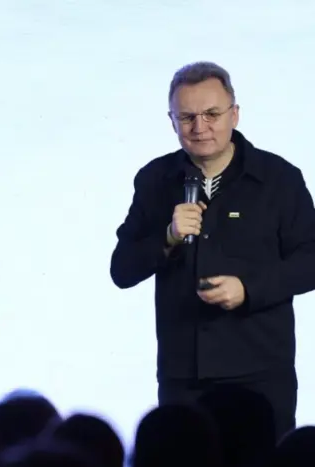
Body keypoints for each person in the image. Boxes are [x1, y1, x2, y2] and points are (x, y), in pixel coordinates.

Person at [109, 61, 315, 441]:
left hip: (260, 373)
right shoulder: (155, 180)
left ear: (234, 115)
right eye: (186, 117)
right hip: (183, 374)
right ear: (172, 121)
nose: (199, 127)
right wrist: (168, 237)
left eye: (211, 114)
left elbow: (311, 260)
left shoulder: (278, 178)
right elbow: (121, 270)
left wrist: (248, 288)